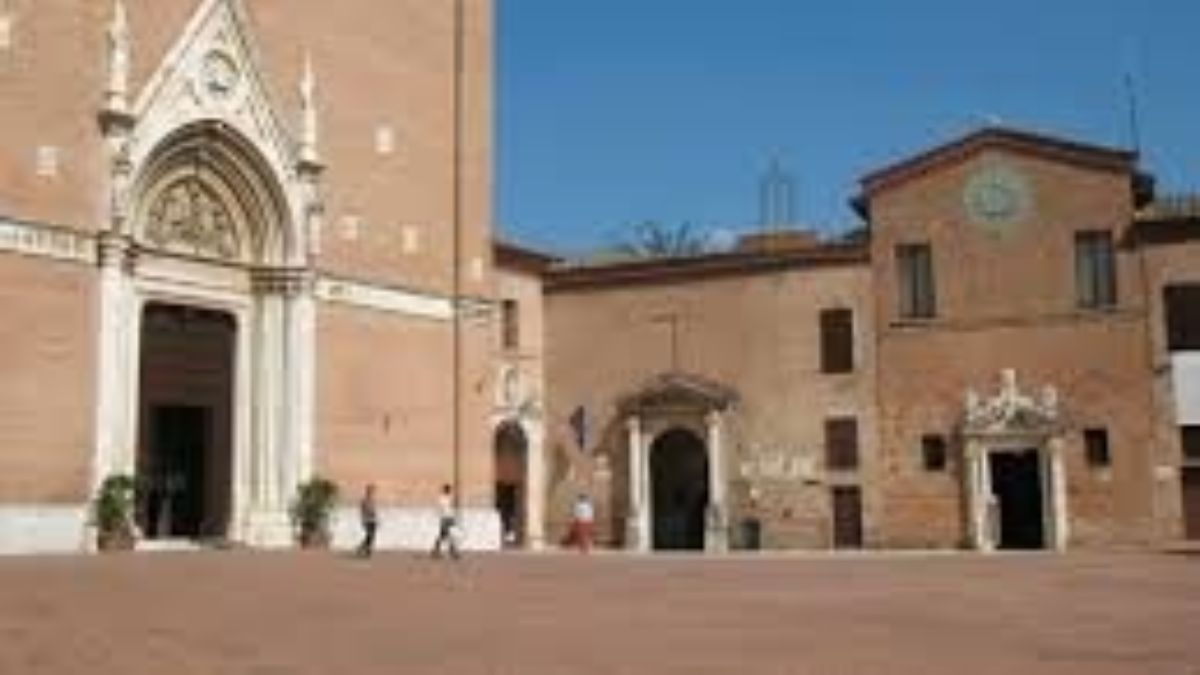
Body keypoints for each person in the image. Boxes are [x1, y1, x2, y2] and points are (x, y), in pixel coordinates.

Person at [430, 483, 461, 560]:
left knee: (443, 535)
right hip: (445, 519)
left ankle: (436, 551)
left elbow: (450, 509)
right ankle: (452, 551)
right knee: (447, 535)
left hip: (448, 518)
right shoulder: (442, 499)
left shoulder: (448, 498)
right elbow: (442, 509)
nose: (449, 491)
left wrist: (454, 517)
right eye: (448, 490)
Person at [356, 483, 378, 558]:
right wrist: (362, 520)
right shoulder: (364, 500)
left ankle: (365, 549)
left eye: (372, 491)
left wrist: (377, 519)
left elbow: (374, 510)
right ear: (367, 491)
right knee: (369, 535)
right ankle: (365, 549)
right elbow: (362, 511)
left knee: (372, 536)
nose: (372, 492)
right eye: (370, 490)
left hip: (373, 520)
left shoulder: (373, 500)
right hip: (367, 520)